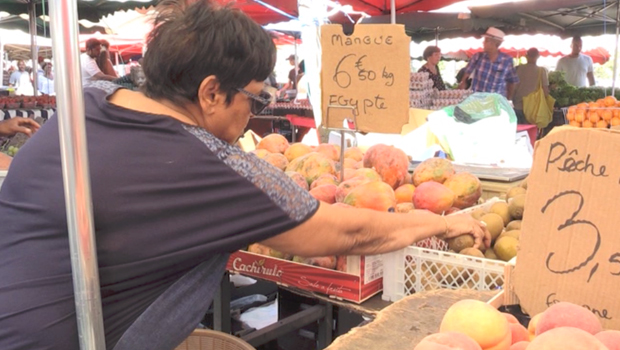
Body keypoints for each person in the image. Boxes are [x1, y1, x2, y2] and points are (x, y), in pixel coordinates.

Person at [0, 2, 489, 349]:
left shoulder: (84, 106)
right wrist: (443, 223)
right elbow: (345, 229)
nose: (252, 115)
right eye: (253, 100)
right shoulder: (201, 163)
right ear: (212, 92)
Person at [458, 27, 519, 99]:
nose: (483, 43)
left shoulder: (506, 60)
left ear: (495, 44)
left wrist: (508, 99)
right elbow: (465, 77)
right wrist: (460, 89)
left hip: (496, 103)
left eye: (486, 40)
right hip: (477, 102)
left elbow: (512, 81)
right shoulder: (477, 57)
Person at [512, 48, 549, 124]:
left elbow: (513, 88)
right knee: (531, 132)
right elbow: (545, 92)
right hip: (533, 109)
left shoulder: (518, 69)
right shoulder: (542, 71)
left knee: (518, 132)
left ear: (526, 56)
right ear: (538, 56)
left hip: (518, 106)